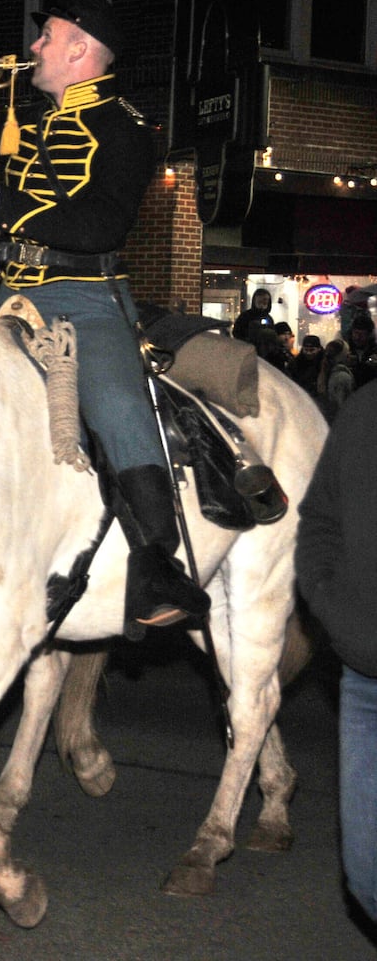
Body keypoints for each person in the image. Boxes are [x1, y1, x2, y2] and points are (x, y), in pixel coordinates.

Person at [0, 0, 210, 639]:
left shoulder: (125, 127)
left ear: (81, 49)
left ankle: (159, 565)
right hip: (8, 299)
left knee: (114, 403)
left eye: (47, 36)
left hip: (82, 298)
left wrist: (4, 207)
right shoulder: (32, 120)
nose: (35, 47)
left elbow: (102, 222)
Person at [296, 378, 377, 923]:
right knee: (367, 875)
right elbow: (320, 518)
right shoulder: (367, 407)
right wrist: (333, 605)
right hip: (366, 676)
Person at [319, 339, 356, 419]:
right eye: (348, 352)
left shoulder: (326, 373)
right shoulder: (342, 377)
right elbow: (340, 405)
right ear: (343, 356)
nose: (350, 355)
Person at [291, 333, 324, 398]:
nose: (308, 353)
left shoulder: (324, 363)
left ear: (319, 349)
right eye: (306, 350)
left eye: (312, 350)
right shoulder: (296, 363)